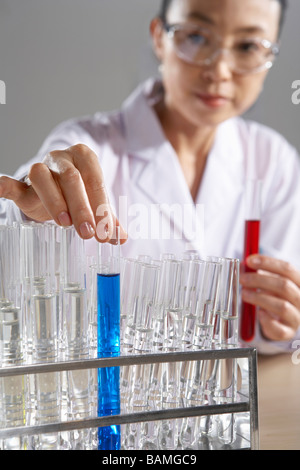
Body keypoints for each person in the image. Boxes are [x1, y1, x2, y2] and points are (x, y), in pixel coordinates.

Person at [0, 0, 300, 354]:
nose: (219, 70)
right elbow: (17, 285)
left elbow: (272, 329)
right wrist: (28, 216)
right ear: (159, 38)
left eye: (248, 46)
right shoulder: (88, 146)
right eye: (197, 36)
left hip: (225, 395)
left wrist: (279, 323)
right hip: (108, 399)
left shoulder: (274, 160)